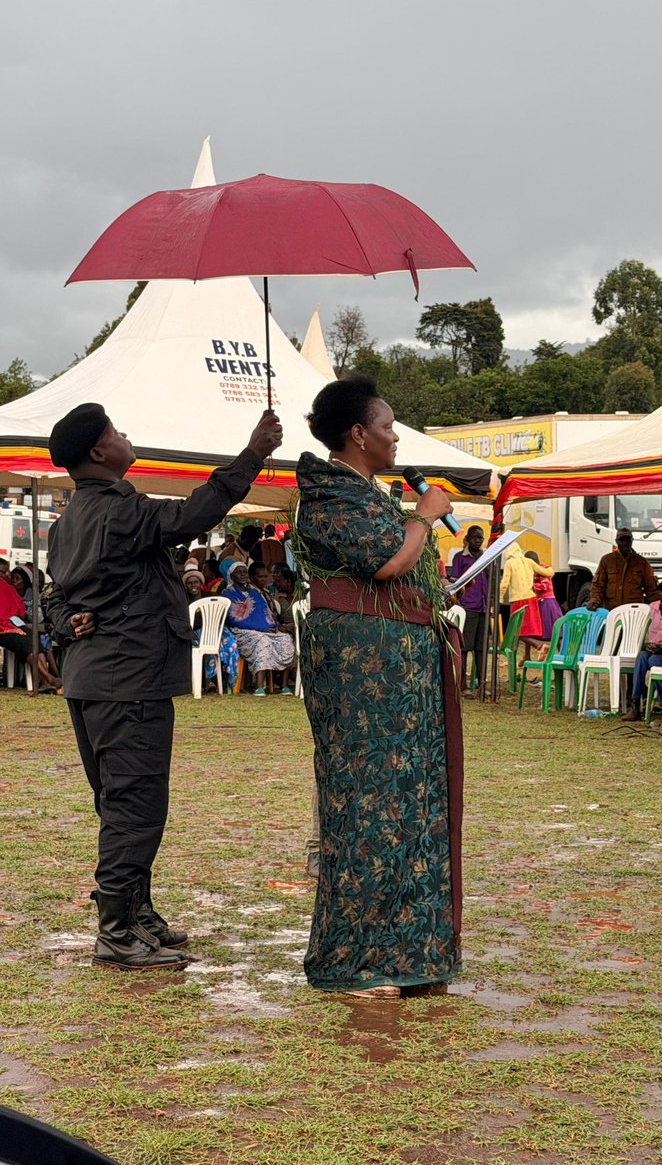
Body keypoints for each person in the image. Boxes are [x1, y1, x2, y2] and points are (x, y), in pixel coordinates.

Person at [45, 402, 282, 971]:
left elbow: (57, 597)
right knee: (137, 807)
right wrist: (253, 453)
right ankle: (117, 931)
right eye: (117, 432)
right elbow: (196, 514)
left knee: (121, 803)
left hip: (93, 680)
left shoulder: (66, 523)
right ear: (100, 452)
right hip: (128, 680)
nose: (127, 435)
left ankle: (136, 911)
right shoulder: (119, 512)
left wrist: (63, 625)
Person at [294, 375, 463, 998]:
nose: (396, 437)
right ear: (359, 434)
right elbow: (385, 562)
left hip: (403, 665)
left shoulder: (369, 492)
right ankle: (358, 961)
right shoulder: (330, 495)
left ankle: (410, 953)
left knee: (410, 799)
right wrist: (422, 517)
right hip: (362, 668)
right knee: (368, 798)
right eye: (388, 426)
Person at [222, 563, 294, 695]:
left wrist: (275, 626)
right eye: (239, 572)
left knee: (286, 639)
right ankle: (259, 686)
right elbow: (233, 618)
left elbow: (266, 613)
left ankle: (284, 686)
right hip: (241, 632)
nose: (243, 574)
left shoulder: (254, 593)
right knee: (262, 641)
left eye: (245, 572)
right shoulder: (228, 593)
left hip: (264, 630)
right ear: (232, 575)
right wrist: (261, 628)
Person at [622, 578, 662, 721]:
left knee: (654, 660)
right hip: (653, 648)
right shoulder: (652, 608)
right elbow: (644, 629)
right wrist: (648, 645)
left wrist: (661, 649)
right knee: (642, 658)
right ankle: (636, 705)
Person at [0, 572, 62, 690]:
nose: (5, 575)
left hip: (13, 623)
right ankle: (47, 677)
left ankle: (45, 680)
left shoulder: (4, 585)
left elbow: (19, 607)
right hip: (2, 629)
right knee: (23, 643)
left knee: (35, 640)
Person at [183, 565, 239, 692]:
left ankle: (228, 682)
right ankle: (210, 681)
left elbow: (220, 616)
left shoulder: (211, 596)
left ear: (201, 583)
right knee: (205, 644)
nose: (193, 585)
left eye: (196, 582)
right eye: (189, 583)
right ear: (185, 586)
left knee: (231, 644)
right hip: (195, 633)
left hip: (215, 631)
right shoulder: (184, 600)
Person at [499, 541, 555, 663]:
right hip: (532, 600)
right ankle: (530, 653)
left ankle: (540, 646)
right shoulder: (528, 562)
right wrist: (551, 569)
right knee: (527, 630)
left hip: (518, 601)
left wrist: (500, 597)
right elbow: (547, 573)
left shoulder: (509, 563)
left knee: (516, 631)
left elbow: (504, 583)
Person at [449, 526, 488, 696]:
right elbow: (456, 580)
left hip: (483, 606)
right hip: (469, 606)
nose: (478, 541)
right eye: (475, 538)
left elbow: (491, 576)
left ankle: (482, 684)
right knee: (465, 647)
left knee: (481, 648)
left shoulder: (485, 556)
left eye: (481, 538)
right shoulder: (460, 557)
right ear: (468, 539)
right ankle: (463, 685)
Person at [589, 530, 660, 610]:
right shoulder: (607, 560)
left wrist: (659, 605)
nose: (625, 543)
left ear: (632, 541)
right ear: (616, 541)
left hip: (634, 611)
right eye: (622, 540)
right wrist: (595, 600)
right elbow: (598, 585)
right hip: (611, 609)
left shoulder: (641, 562)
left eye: (628, 540)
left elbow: (651, 588)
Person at [524, 550, 563, 642]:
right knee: (551, 631)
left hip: (547, 603)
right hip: (541, 602)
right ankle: (527, 655)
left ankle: (560, 653)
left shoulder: (542, 570)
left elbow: (545, 586)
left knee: (555, 631)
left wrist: (532, 586)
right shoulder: (535, 570)